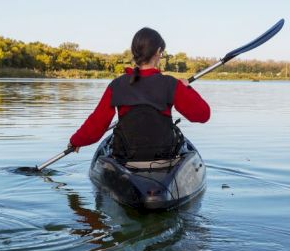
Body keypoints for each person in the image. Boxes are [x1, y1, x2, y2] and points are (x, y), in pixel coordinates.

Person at [68, 27, 210, 162]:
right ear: (158, 51)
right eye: (162, 53)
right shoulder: (171, 84)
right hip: (164, 157)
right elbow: (203, 115)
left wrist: (75, 141)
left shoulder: (117, 85)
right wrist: (187, 88)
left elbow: (97, 124)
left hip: (126, 157)